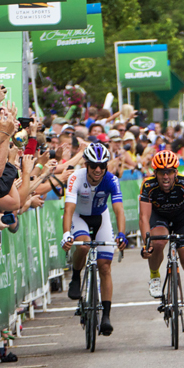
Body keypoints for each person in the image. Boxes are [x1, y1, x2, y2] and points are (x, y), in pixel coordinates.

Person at [62, 143, 127, 337]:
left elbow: (118, 209)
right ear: (86, 164)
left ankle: (106, 316)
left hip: (101, 217)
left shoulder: (111, 180)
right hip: (79, 217)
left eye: (102, 166)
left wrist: (122, 234)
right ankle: (75, 276)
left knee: (105, 266)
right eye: (93, 166)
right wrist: (66, 234)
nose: (98, 170)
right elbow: (68, 209)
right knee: (83, 246)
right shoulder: (75, 177)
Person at [139, 150, 184, 332]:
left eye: (170, 171)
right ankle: (154, 276)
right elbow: (144, 217)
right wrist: (147, 243)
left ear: (176, 172)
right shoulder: (148, 185)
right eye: (162, 172)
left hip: (182, 219)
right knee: (158, 243)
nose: (166, 176)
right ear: (156, 173)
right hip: (158, 217)